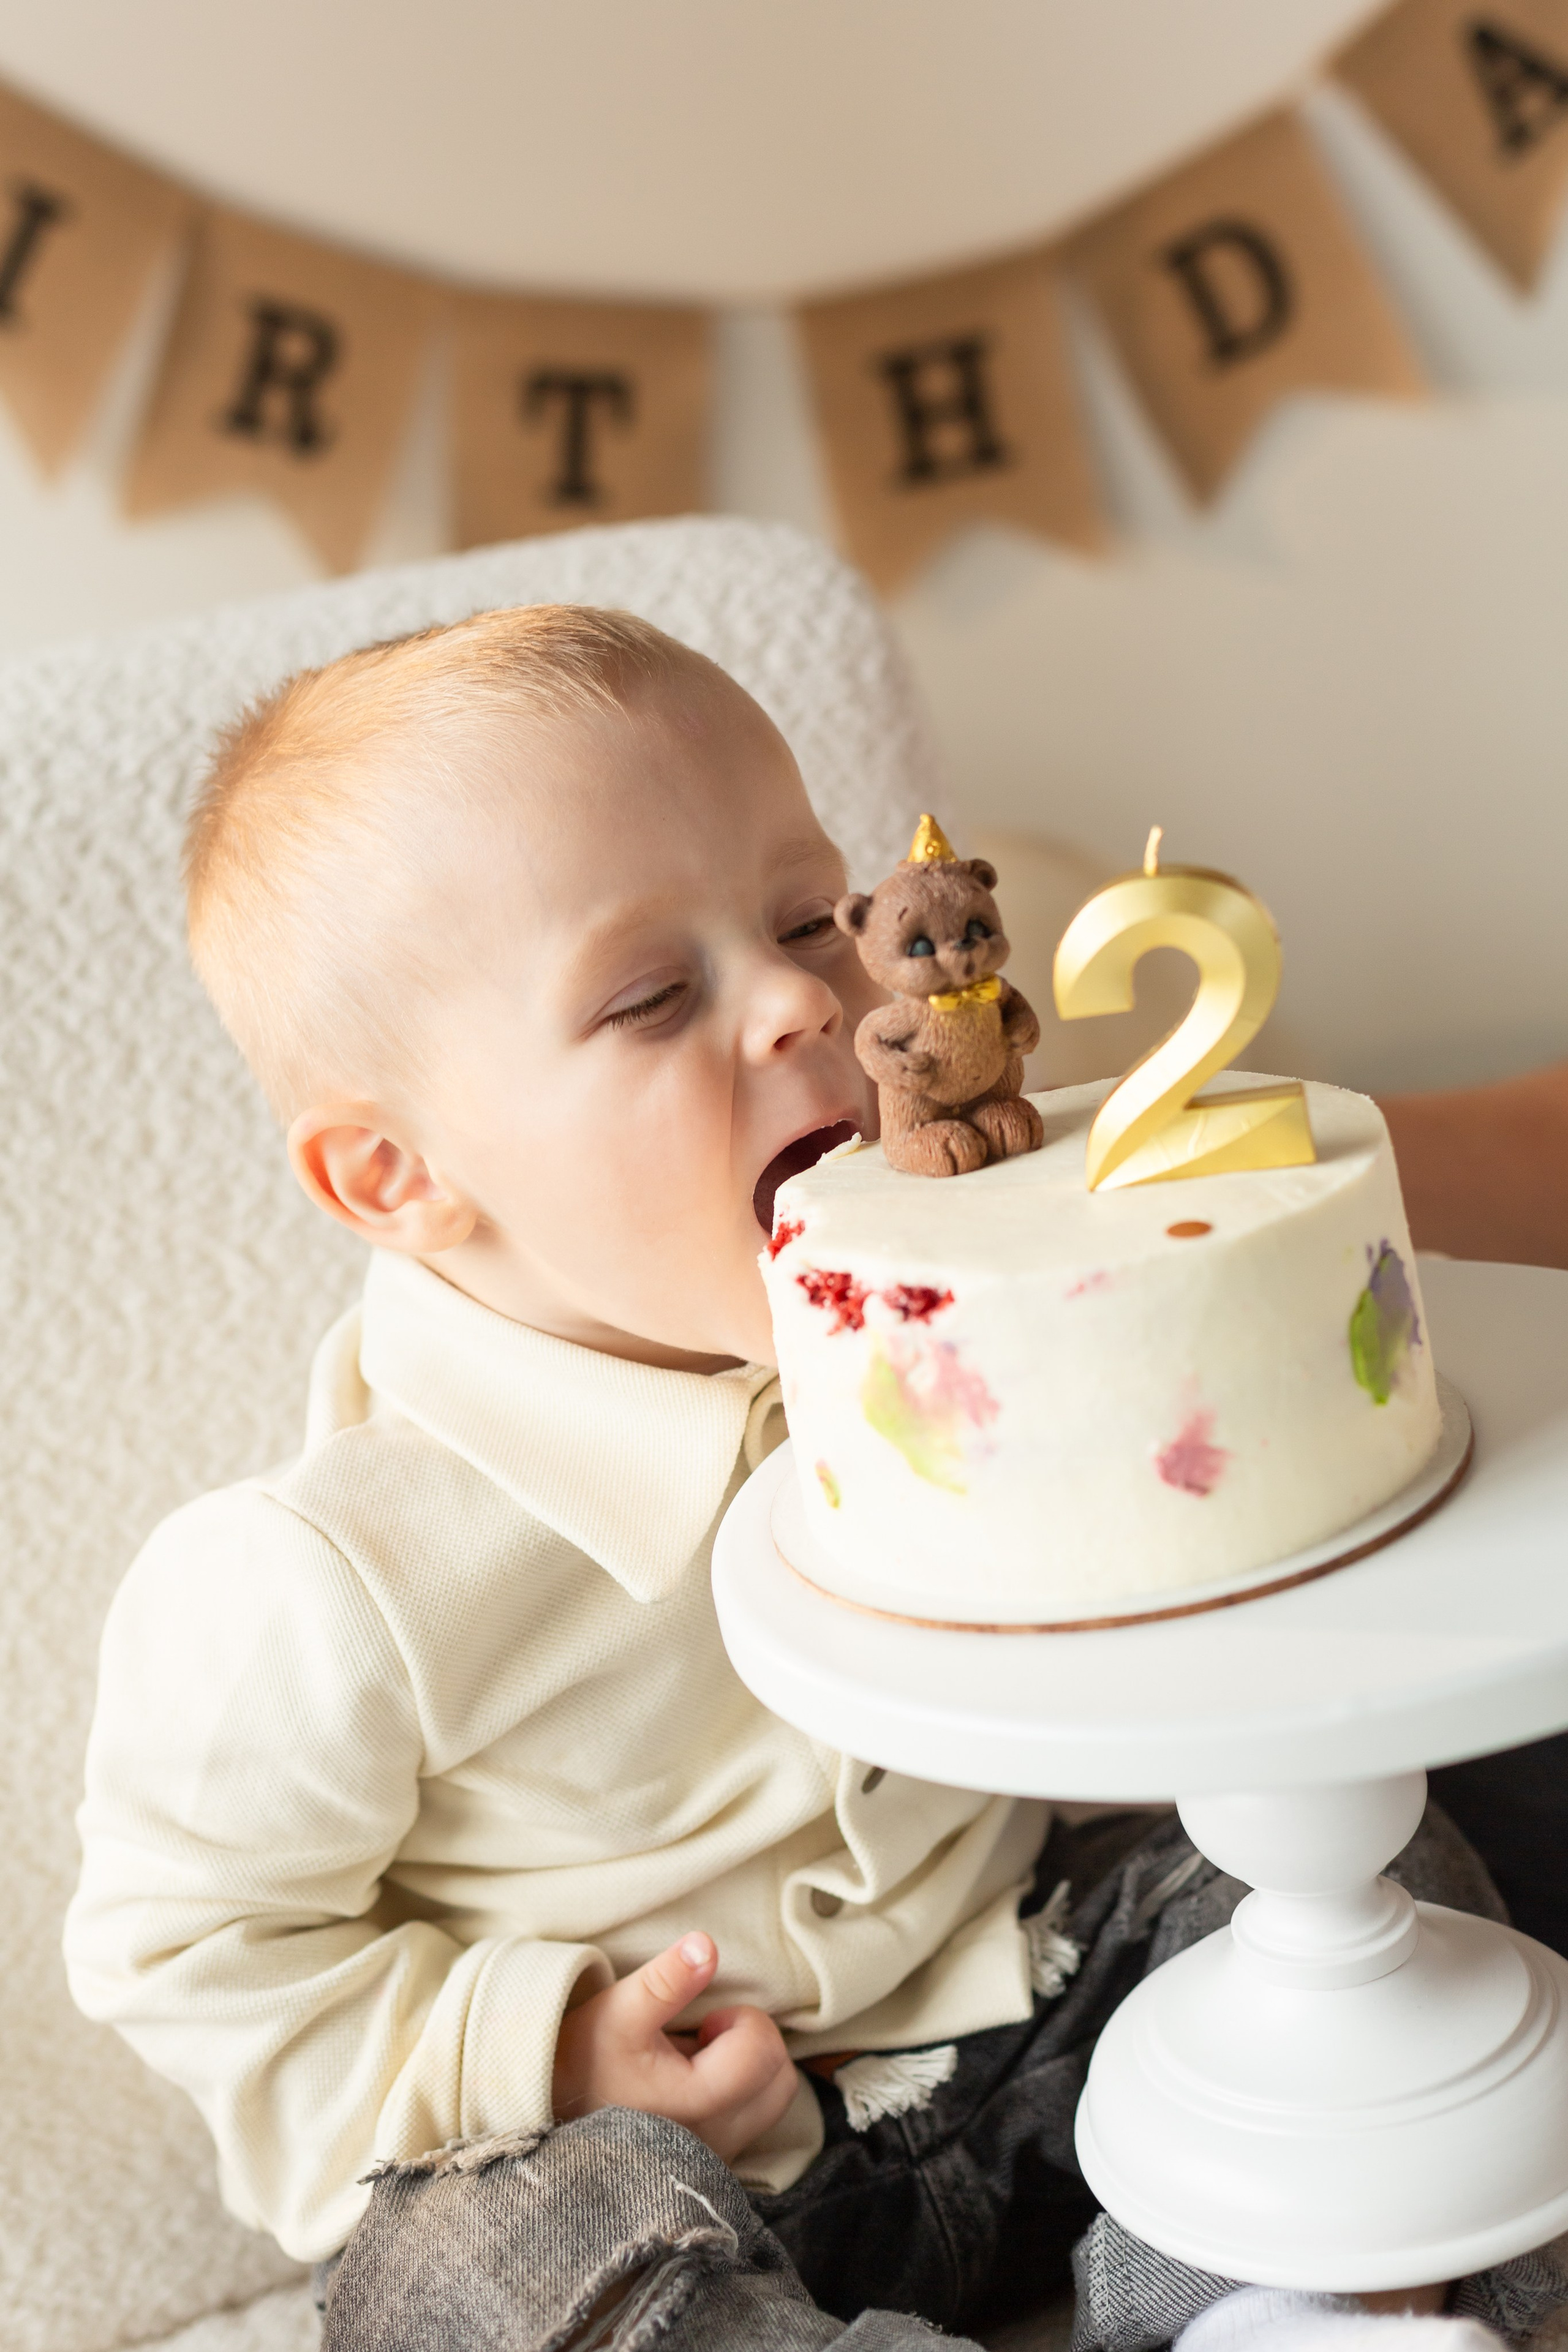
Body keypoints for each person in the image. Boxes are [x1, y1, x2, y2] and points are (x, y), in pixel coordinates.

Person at [61, 608, 1564, 2352]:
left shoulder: (960, 1310)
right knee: (468, 2268)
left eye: (804, 919)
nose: (800, 1001)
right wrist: (537, 2047)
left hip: (1048, 1983)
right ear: (397, 1174)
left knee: (1350, 1869)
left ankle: (1288, 2306)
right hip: (691, 2162)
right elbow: (186, 1953)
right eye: (648, 996)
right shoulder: (318, 1575)